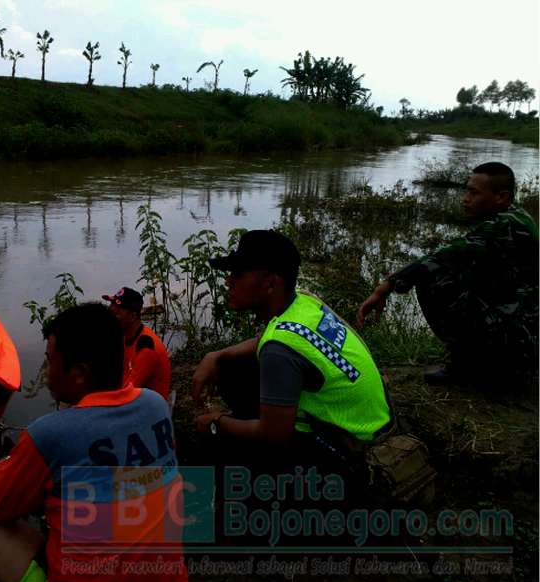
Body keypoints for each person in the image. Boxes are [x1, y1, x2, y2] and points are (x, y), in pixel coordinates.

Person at [0, 303, 188, 582]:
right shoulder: (155, 405)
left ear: (79, 373)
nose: (47, 373)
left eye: (51, 362)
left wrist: (8, 468)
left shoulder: (51, 433)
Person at [191, 230, 392, 470]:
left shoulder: (280, 348)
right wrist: (216, 355)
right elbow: (264, 339)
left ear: (270, 283)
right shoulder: (303, 303)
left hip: (348, 450)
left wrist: (217, 421)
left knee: (221, 446)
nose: (228, 281)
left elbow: (274, 436)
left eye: (238, 273)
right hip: (373, 425)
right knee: (232, 367)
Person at [357, 162, 539, 386]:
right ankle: (484, 362)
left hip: (520, 341)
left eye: (474, 192)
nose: (465, 199)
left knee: (433, 278)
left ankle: (470, 367)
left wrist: (386, 286)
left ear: (501, 196)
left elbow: (442, 257)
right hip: (523, 334)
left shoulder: (506, 226)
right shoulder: (516, 216)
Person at [102, 287, 172, 403]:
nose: (111, 311)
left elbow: (125, 394)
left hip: (149, 410)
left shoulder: (146, 347)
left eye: (117, 310)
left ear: (133, 316)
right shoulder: (125, 336)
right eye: (111, 305)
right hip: (134, 398)